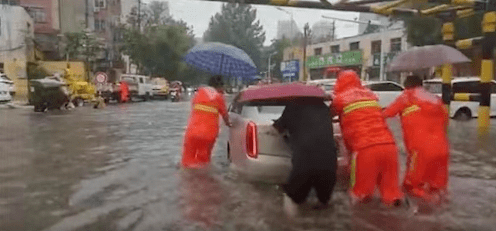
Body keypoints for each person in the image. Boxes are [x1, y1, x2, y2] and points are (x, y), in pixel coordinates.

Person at [332, 70, 404, 207]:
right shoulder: (371, 96)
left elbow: (326, 117)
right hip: (390, 147)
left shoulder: (339, 99)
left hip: (364, 150)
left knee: (360, 196)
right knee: (392, 193)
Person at [382, 75, 449, 202]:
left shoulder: (406, 96)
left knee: (411, 187)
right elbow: (446, 121)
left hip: (420, 150)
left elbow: (386, 114)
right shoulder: (435, 98)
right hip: (443, 149)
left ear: (406, 87)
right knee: (437, 188)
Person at [272, 97, 337, 217]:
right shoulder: (323, 107)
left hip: (305, 163)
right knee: (324, 203)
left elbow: (279, 127)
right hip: (329, 163)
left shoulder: (292, 106)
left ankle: (291, 225)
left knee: (290, 196)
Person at [181, 75, 231, 168]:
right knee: (203, 161)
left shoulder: (199, 93)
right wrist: (229, 124)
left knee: (187, 161)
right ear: (220, 86)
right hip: (209, 134)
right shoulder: (219, 97)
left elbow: (194, 107)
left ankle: (186, 179)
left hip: (193, 131)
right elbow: (225, 116)